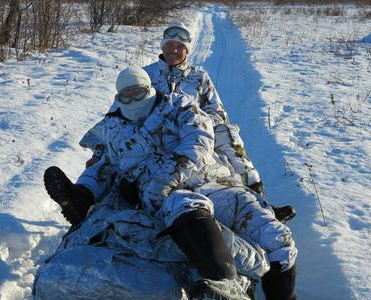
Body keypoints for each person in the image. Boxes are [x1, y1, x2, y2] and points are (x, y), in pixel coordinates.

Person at [45, 66, 313, 300]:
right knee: (184, 206)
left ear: (150, 89)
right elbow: (108, 165)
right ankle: (220, 285)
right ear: (118, 96)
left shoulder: (180, 106)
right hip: (167, 195)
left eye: (138, 91)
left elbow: (199, 142)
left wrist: (170, 174)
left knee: (277, 237)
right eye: (126, 94)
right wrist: (90, 191)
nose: (133, 98)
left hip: (211, 182)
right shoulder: (113, 127)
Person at [80, 21, 295, 222]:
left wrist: (195, 120)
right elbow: (116, 113)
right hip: (145, 134)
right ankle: (81, 197)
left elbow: (216, 111)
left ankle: (259, 200)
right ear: (163, 47)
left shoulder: (199, 77)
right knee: (110, 155)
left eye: (179, 46)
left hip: (190, 133)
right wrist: (98, 151)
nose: (174, 50)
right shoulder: (145, 75)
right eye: (169, 45)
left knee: (227, 133)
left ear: (187, 50)